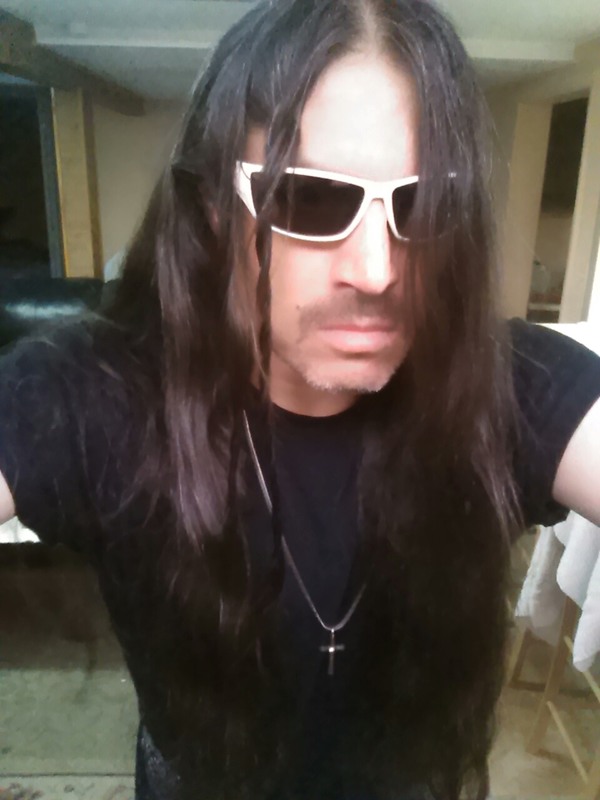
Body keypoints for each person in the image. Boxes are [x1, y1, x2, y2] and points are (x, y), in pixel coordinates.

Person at [1, 1, 599, 798]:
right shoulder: (101, 392)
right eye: (310, 198)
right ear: (215, 212)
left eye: (424, 204)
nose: (378, 271)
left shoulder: (504, 386)